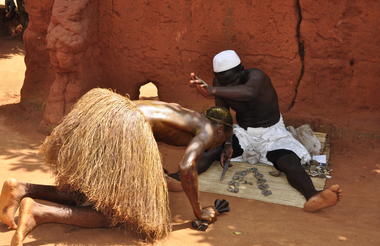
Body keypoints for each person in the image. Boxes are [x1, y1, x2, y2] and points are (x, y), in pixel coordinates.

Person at [0, 88, 233, 245]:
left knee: (92, 194)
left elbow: (153, 142)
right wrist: (199, 212)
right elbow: (186, 166)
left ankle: (22, 188)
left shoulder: (183, 112)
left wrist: (165, 180)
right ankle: (40, 213)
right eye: (221, 141)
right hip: (126, 127)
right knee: (116, 215)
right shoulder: (209, 130)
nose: (215, 144)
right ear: (220, 129)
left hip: (107, 111)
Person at [189, 50, 342, 212]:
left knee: (289, 162)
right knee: (211, 149)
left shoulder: (257, 77)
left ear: (242, 69)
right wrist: (227, 143)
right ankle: (179, 178)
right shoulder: (218, 85)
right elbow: (223, 114)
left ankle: (313, 196)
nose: (229, 85)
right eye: (224, 82)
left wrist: (212, 90)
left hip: (272, 134)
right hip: (244, 133)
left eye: (233, 80)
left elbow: (249, 92)